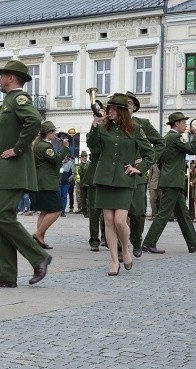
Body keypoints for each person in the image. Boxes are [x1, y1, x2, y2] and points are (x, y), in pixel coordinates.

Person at [0, 59, 51, 287]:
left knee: (3, 216)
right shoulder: (6, 103)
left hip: (12, 170)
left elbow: (34, 120)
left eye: (1, 75)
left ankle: (39, 256)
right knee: (0, 221)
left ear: (11, 78)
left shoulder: (18, 99)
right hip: (2, 171)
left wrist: (19, 148)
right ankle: (5, 274)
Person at [87, 93, 153, 276]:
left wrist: (139, 169)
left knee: (119, 220)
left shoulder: (135, 128)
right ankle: (114, 261)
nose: (110, 111)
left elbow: (150, 154)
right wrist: (95, 124)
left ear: (123, 111)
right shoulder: (102, 128)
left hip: (124, 180)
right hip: (104, 178)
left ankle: (125, 248)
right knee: (108, 220)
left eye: (114, 108)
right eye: (109, 108)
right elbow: (92, 146)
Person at [142, 112, 196, 255]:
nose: (185, 125)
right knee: (164, 213)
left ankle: (193, 243)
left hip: (171, 180)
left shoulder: (166, 138)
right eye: (184, 123)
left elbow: (159, 161)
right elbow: (193, 149)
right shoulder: (174, 137)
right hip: (173, 181)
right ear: (176, 124)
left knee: (183, 214)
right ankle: (148, 243)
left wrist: (167, 172)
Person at [125, 91, 166, 258]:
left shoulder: (143, 124)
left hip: (136, 174)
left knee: (137, 212)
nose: (125, 105)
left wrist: (144, 163)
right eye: (123, 102)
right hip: (115, 174)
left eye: (129, 103)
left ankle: (136, 241)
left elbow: (160, 143)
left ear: (134, 107)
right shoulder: (112, 123)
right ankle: (117, 245)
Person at [32, 121, 71, 250]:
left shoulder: (40, 145)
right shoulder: (44, 146)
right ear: (49, 133)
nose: (55, 135)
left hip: (41, 182)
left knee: (44, 211)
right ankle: (38, 234)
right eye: (53, 132)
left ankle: (40, 238)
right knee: (56, 210)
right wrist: (65, 147)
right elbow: (56, 159)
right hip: (47, 183)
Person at [75, 151, 89, 217]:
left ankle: (89, 211)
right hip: (82, 184)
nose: (84, 158)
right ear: (81, 158)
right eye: (83, 157)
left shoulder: (89, 164)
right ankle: (84, 212)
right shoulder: (79, 165)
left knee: (89, 198)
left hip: (88, 184)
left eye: (85, 156)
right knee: (82, 198)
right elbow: (80, 174)